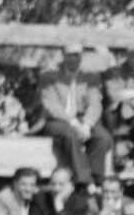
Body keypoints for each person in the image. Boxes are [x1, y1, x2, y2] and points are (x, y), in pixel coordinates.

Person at [39, 44, 112, 186]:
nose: (73, 58)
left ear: (81, 55)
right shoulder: (49, 75)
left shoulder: (90, 76)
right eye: (70, 54)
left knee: (103, 137)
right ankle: (83, 181)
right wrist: (74, 123)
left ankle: (96, 179)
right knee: (71, 135)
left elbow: (95, 103)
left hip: (82, 118)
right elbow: (51, 105)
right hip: (57, 120)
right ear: (63, 55)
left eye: (77, 54)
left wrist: (87, 123)